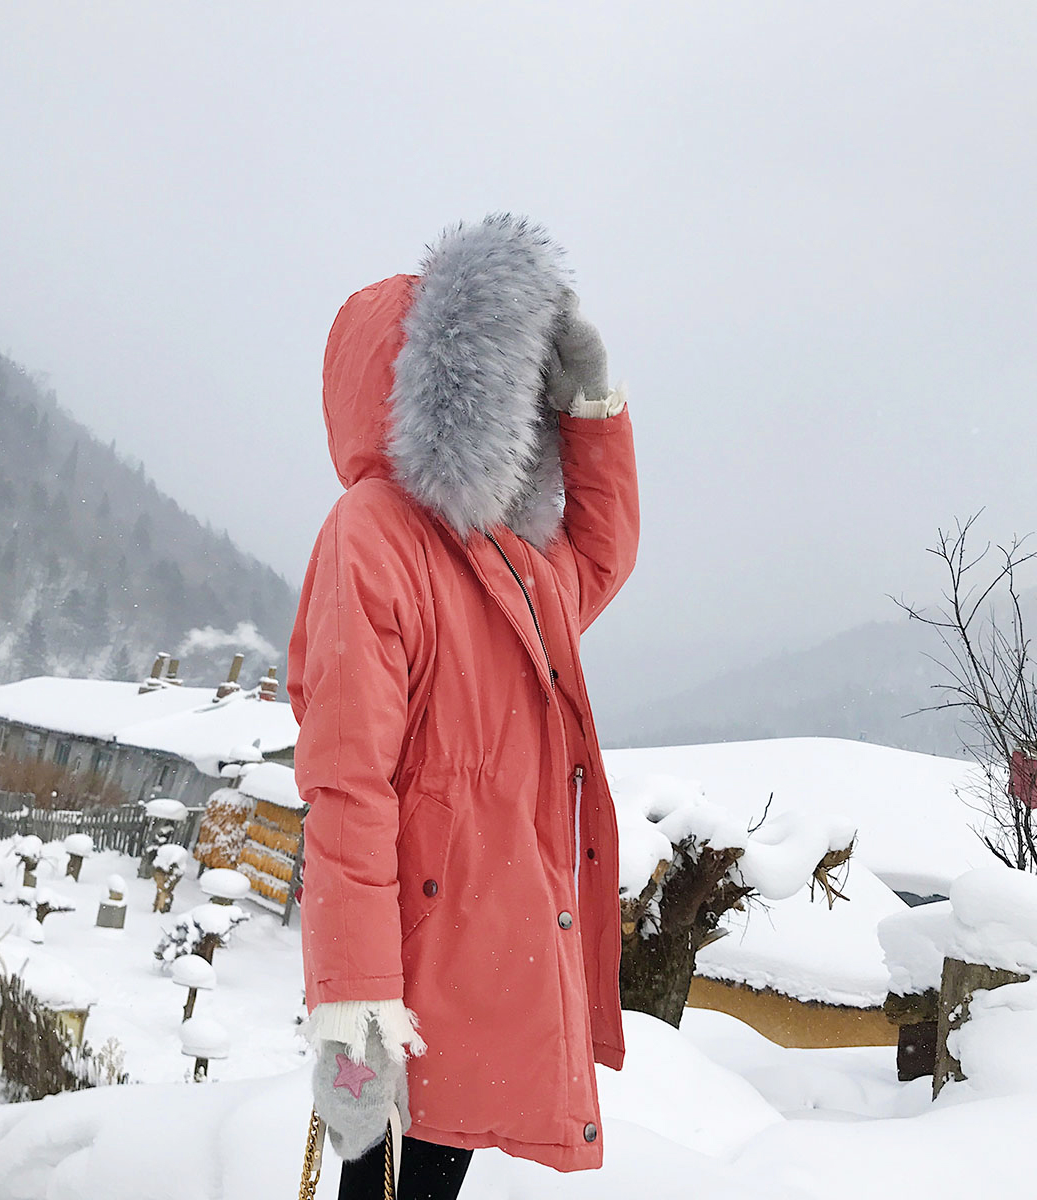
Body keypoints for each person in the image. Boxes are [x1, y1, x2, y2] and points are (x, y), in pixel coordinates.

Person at [287, 214, 639, 1200]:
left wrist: (595, 411)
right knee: (385, 1184)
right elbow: (348, 780)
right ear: (443, 392)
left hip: (492, 972)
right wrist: (355, 1008)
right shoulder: (375, 537)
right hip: (403, 993)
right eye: (507, 382)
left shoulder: (517, 564)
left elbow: (601, 561)